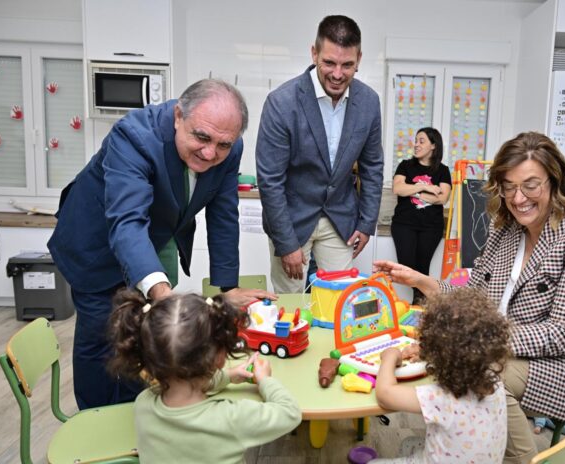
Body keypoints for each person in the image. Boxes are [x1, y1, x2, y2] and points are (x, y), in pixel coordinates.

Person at [374, 131, 565, 464]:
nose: (518, 198)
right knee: (466, 363)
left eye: (530, 185)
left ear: (555, 182)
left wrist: (471, 344)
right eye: (509, 187)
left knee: (482, 370)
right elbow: (472, 296)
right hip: (521, 354)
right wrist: (422, 281)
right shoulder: (506, 231)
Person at [47, 79, 276, 410]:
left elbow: (223, 214)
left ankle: (138, 413)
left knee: (142, 336)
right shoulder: (134, 136)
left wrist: (227, 290)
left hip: (148, 240)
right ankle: (96, 419)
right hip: (94, 243)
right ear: (178, 116)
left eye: (223, 144)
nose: (211, 153)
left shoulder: (230, 148)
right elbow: (127, 221)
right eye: (202, 138)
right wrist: (163, 295)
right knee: (100, 338)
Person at [256, 15, 384, 293]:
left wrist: (366, 223)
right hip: (292, 218)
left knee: (339, 299)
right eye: (329, 63)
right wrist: (285, 243)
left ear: (359, 59)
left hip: (340, 219)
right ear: (314, 54)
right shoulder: (282, 102)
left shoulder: (369, 102)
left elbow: (372, 167)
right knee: (290, 301)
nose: (337, 74)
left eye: (347, 65)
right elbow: (270, 180)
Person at [107, 290, 302, 463]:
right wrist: (265, 380)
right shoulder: (231, 418)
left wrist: (229, 376)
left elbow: (183, 382)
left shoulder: (143, 405)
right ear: (219, 357)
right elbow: (290, 412)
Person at [372, 289, 510, 463]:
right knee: (409, 443)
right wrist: (431, 352)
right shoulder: (496, 384)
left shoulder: (440, 398)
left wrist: (389, 357)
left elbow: (384, 394)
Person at [390, 127, 451, 304]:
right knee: (406, 266)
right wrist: (424, 187)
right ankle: (423, 301)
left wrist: (413, 192)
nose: (416, 144)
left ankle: (419, 304)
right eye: (415, 141)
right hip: (404, 224)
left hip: (431, 227)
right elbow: (398, 189)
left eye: (421, 141)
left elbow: (442, 198)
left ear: (433, 145)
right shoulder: (405, 166)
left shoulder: (443, 170)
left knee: (422, 268)